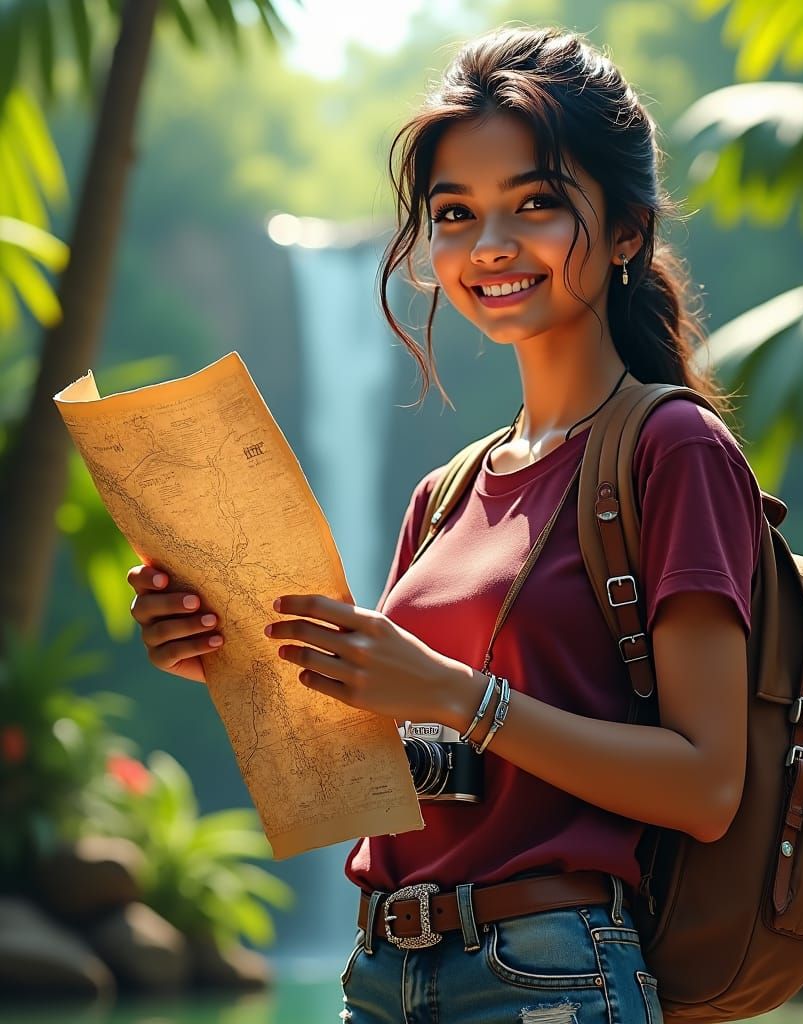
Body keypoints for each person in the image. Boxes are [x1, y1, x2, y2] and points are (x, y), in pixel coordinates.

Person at [127, 26, 763, 1024]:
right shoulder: (446, 493)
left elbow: (705, 784)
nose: (489, 246)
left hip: (550, 977)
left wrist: (456, 693)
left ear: (630, 227)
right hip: (383, 972)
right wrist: (231, 653)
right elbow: (437, 765)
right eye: (455, 214)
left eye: (535, 204)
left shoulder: (670, 450)